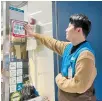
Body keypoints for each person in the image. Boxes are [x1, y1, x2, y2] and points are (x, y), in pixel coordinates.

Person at [24, 14, 97, 101]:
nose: (66, 29)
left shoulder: (85, 55)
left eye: (69, 26)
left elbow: (79, 86)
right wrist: (34, 34)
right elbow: (52, 42)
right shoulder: (68, 47)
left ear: (78, 30)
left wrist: (59, 79)